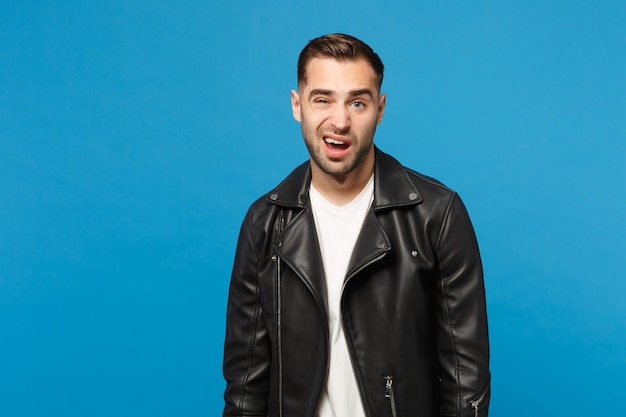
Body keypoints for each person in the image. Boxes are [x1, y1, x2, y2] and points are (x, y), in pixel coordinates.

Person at [223, 33, 490, 417]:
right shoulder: (264, 224)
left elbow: (467, 380)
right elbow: (245, 384)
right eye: (323, 99)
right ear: (297, 105)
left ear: (380, 109)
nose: (340, 121)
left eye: (358, 102)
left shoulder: (437, 215)